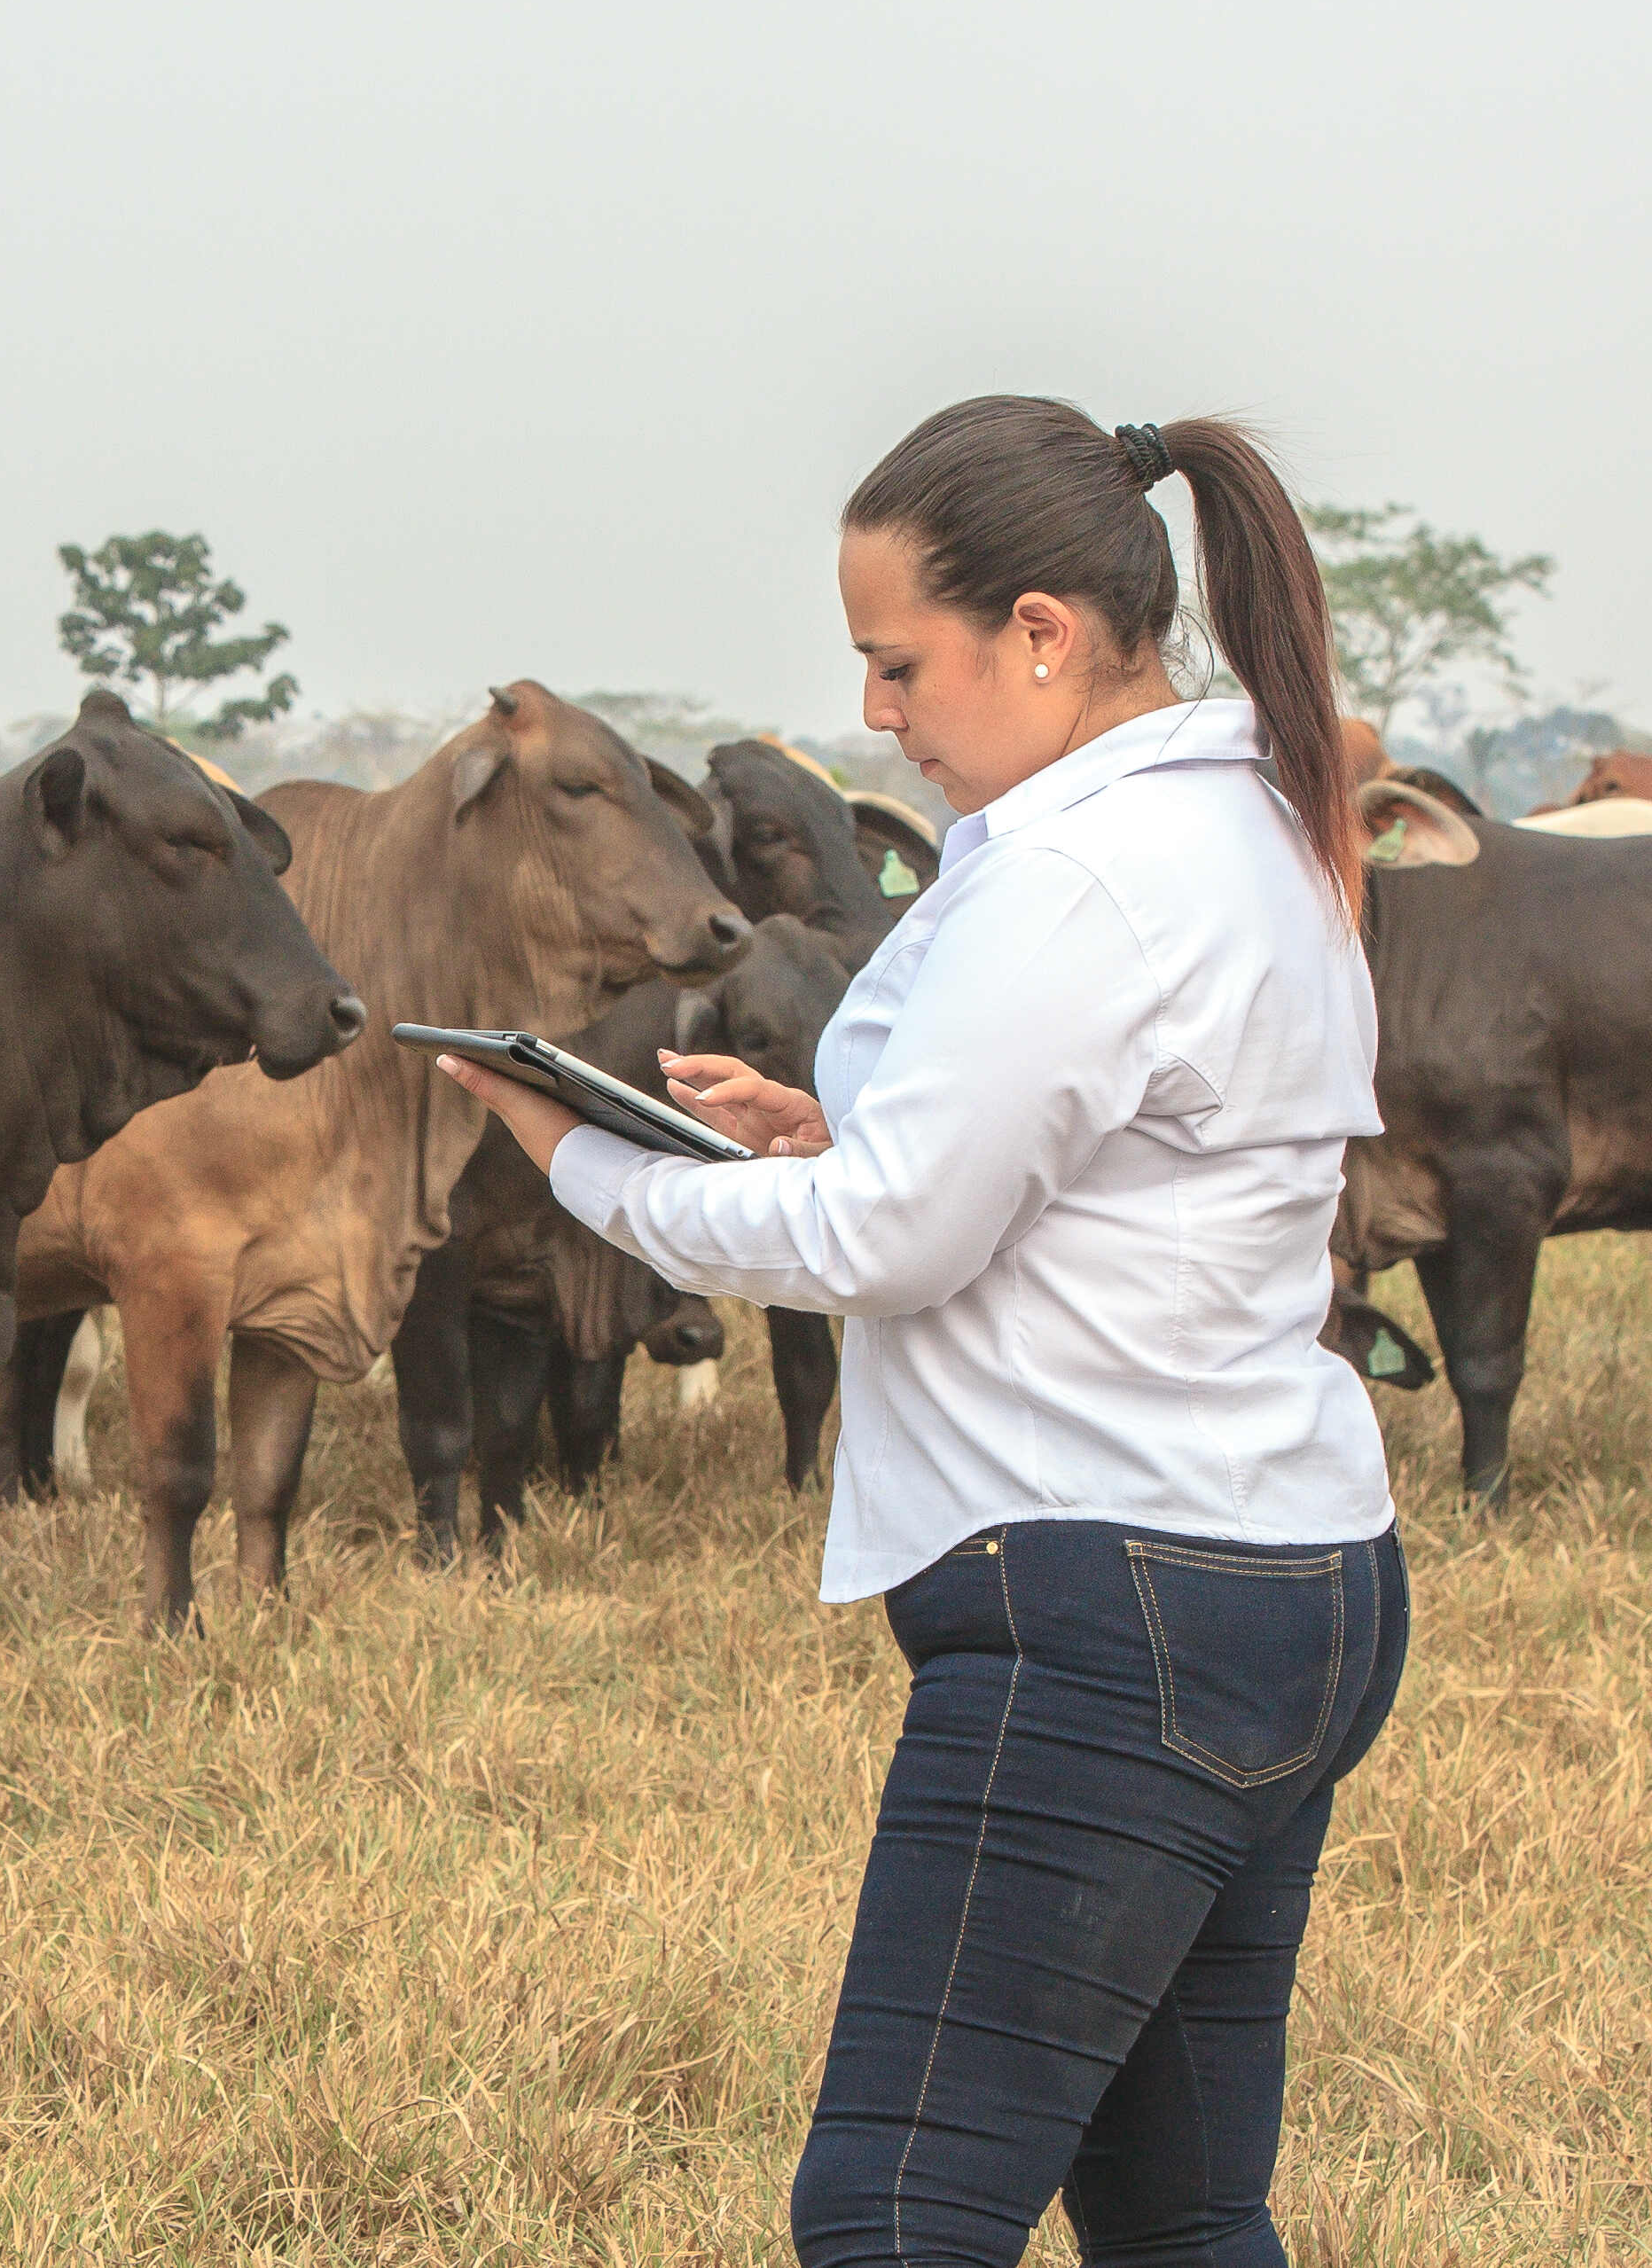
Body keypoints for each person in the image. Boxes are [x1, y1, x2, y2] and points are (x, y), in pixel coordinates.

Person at [442, 398, 1408, 2266]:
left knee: (894, 2213)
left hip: (1107, 1612)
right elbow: (1112, 1172)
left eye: (896, 664)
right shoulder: (1241, 831)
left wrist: (584, 1165)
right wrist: (836, 1133)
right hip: (1286, 1577)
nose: (876, 715)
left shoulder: (1074, 880)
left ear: (1036, 634)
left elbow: (889, 1242)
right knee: (1181, 2218)